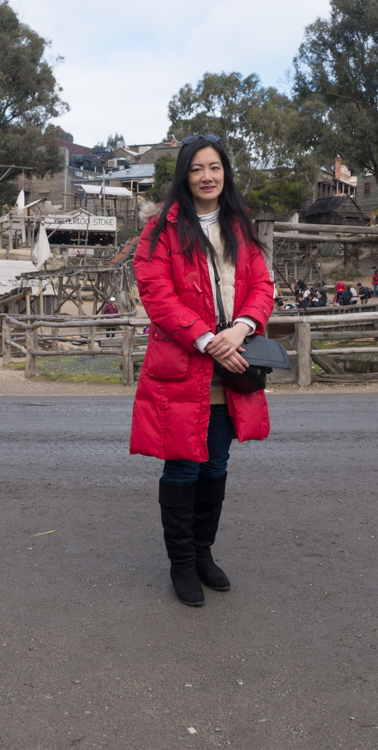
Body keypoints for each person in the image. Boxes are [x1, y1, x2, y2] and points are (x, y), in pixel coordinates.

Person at [131, 133, 275, 607]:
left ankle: (203, 552)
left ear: (225, 173)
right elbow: (157, 296)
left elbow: (262, 285)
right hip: (183, 366)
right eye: (197, 168)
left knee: (215, 463)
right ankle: (181, 564)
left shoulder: (240, 227)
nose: (207, 176)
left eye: (214, 167)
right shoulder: (159, 233)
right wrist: (208, 340)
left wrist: (243, 326)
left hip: (231, 367)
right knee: (182, 466)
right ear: (184, 176)